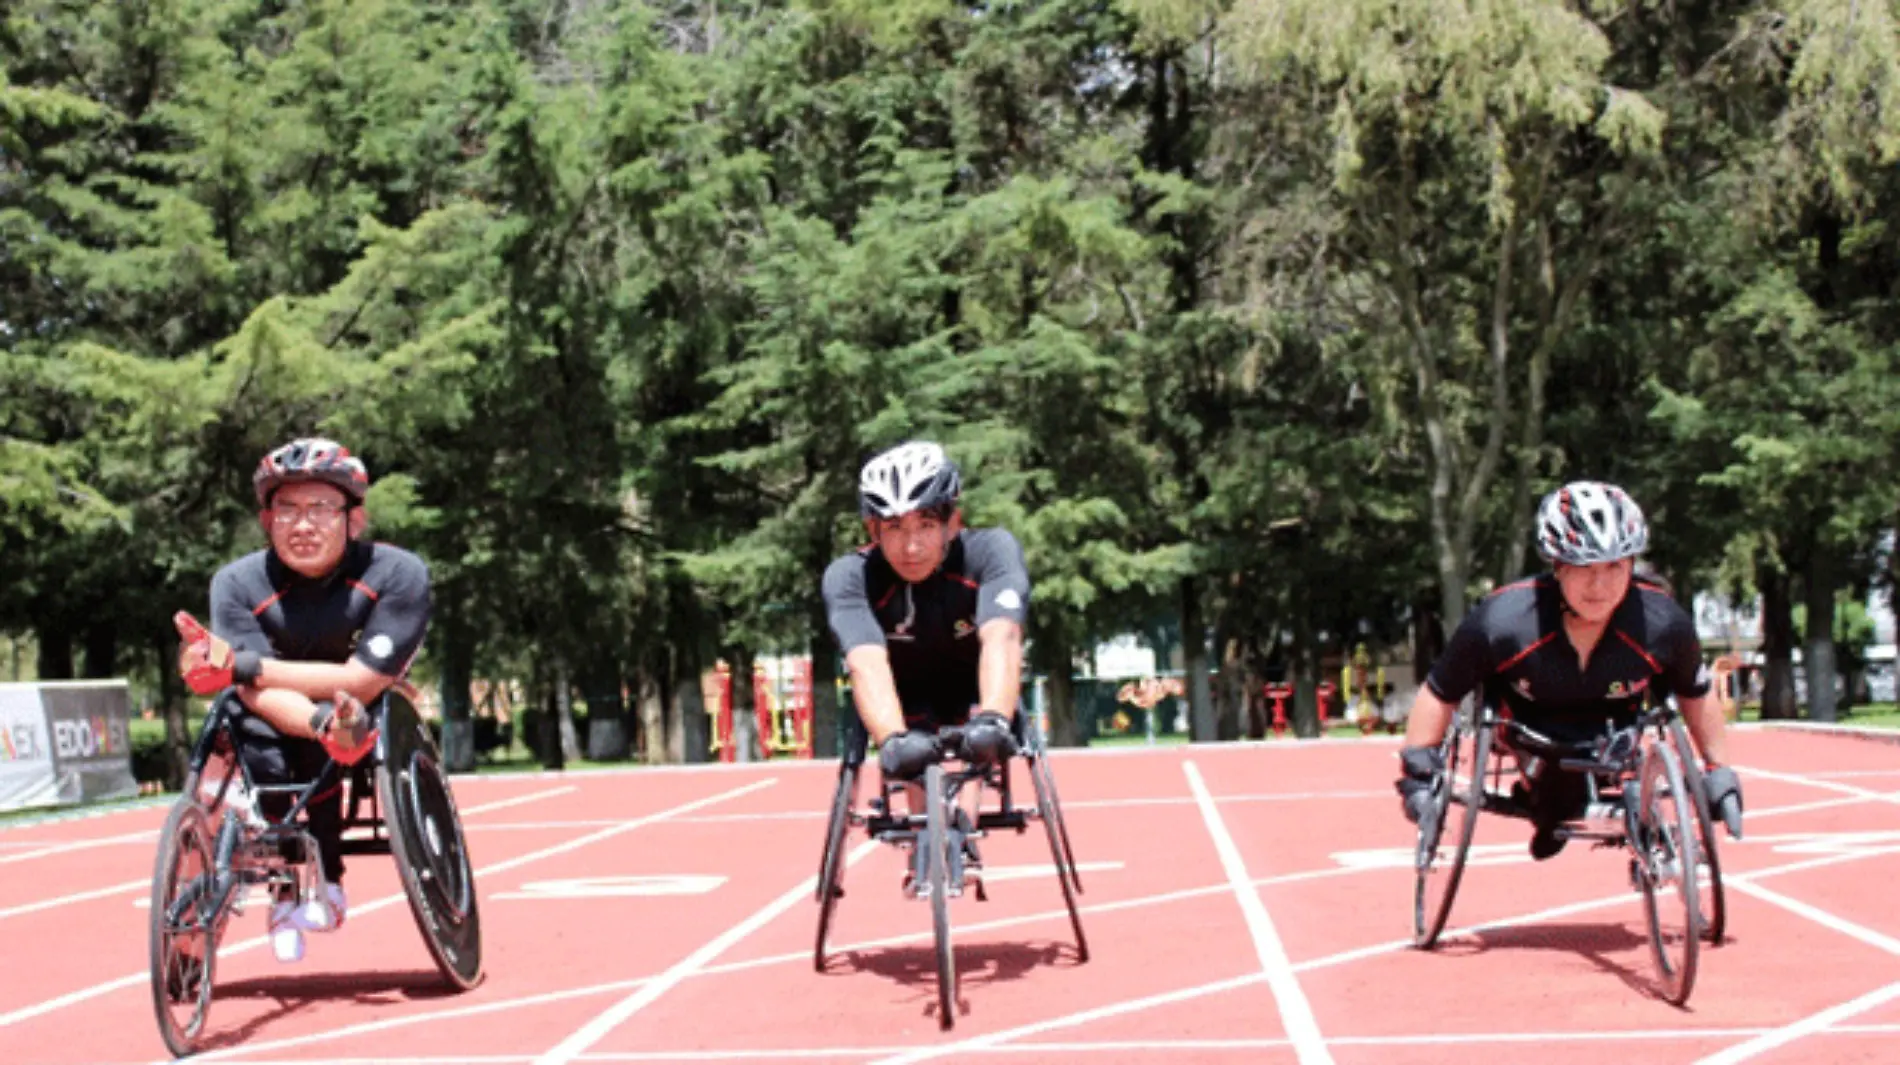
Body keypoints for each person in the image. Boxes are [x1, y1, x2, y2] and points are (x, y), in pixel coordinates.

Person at [173, 437, 431, 962]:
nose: (302, 524)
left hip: (359, 705)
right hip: (284, 715)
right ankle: (288, 882)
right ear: (267, 519)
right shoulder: (237, 583)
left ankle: (326, 876)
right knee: (254, 726)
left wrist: (245, 666)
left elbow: (361, 682)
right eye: (286, 508)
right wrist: (318, 721)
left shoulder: (399, 574)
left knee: (343, 713)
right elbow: (247, 690)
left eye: (320, 508)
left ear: (354, 519)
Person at [1394, 481, 1744, 860]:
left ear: (1632, 565)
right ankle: (1551, 809)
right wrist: (1418, 774)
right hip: (1530, 733)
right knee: (1555, 792)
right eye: (1583, 568)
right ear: (1558, 567)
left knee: (1596, 777)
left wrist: (1719, 771)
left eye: (1615, 566)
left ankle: (1575, 808)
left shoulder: (1663, 623)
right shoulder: (1502, 622)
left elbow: (1694, 691)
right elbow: (1440, 692)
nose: (1600, 585)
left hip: (1615, 733)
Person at [820, 441, 1030, 873]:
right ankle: (926, 837)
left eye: (926, 525)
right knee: (909, 745)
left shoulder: (991, 552)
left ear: (953, 522)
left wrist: (993, 718)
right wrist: (892, 741)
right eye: (894, 528)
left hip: (972, 681)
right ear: (873, 530)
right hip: (902, 690)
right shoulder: (849, 577)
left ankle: (963, 834)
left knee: (979, 730)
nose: (911, 546)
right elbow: (866, 662)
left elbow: (1003, 636)